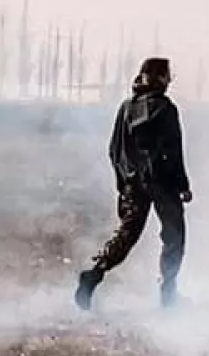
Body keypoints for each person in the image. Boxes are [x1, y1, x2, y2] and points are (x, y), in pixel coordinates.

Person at [75, 57, 193, 310]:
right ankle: (168, 294)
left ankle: (94, 273)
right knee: (174, 237)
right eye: (167, 76)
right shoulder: (166, 109)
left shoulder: (127, 108)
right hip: (163, 183)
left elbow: (114, 150)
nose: (168, 81)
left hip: (133, 183)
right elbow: (174, 151)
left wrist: (124, 184)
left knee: (127, 236)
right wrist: (182, 185)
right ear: (161, 78)